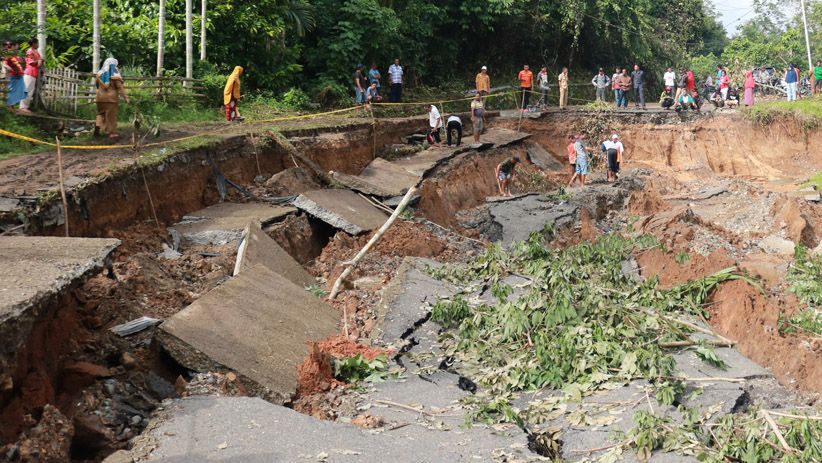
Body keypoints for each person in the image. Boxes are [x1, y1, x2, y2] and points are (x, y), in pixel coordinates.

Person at [95, 57, 129, 139]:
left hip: (100, 98)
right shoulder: (115, 75)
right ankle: (112, 133)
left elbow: (97, 86)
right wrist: (126, 98)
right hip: (111, 100)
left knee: (101, 113)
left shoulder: (99, 74)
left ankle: (98, 125)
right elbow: (120, 88)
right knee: (111, 116)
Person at [19, 38, 42, 113]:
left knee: (30, 91)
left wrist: (40, 61)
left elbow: (39, 62)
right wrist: (39, 61)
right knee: (27, 90)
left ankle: (25, 106)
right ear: (34, 44)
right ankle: (22, 107)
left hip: (34, 73)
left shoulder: (36, 51)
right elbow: (31, 62)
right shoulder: (30, 51)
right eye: (37, 43)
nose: (38, 45)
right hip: (29, 72)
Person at [3, 40, 26, 110]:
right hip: (14, 75)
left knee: (20, 91)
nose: (17, 47)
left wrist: (21, 59)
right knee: (12, 90)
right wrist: (8, 67)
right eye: (16, 45)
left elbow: (21, 61)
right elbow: (4, 63)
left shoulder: (14, 54)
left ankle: (11, 105)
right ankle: (9, 105)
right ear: (13, 46)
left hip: (19, 75)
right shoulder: (8, 53)